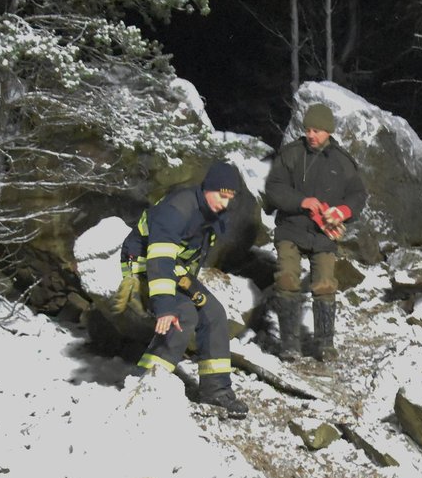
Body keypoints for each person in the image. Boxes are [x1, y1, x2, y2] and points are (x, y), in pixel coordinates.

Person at [118, 161, 249, 419]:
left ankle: (216, 391)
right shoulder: (177, 209)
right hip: (143, 263)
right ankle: (145, 383)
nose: (225, 203)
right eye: (221, 196)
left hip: (176, 269)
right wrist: (165, 306)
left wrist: (187, 284)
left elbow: (185, 257)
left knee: (213, 312)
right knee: (183, 315)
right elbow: (159, 259)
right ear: (208, 188)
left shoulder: (211, 212)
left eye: (229, 198)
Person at [264, 102, 367, 362]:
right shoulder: (291, 153)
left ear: (329, 132)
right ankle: (289, 344)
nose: (311, 135)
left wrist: (343, 211)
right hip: (291, 228)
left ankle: (325, 344)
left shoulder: (342, 161)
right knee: (287, 278)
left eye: (317, 131)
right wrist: (302, 201)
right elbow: (274, 188)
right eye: (308, 129)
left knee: (324, 284)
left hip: (324, 235)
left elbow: (358, 194)